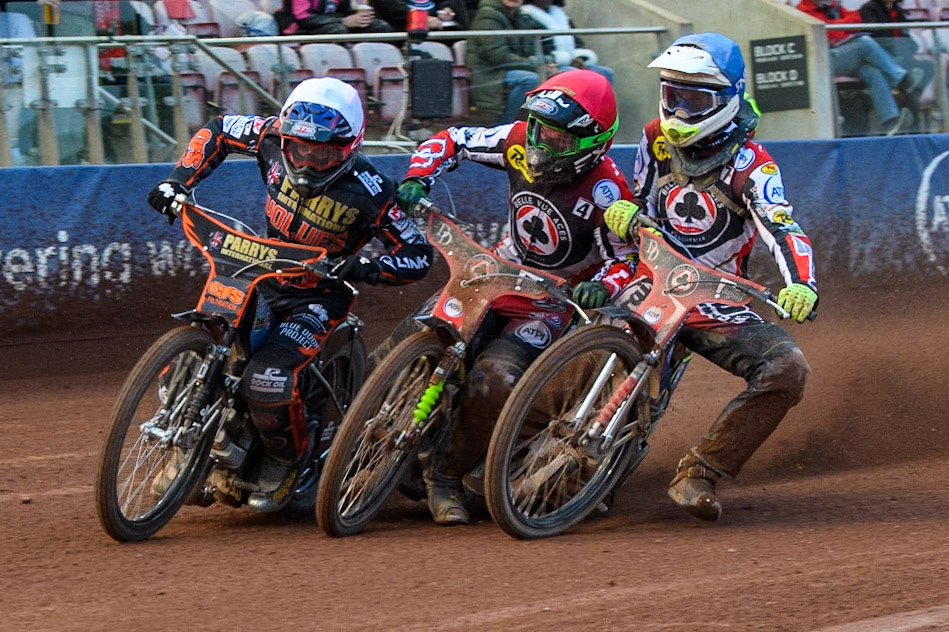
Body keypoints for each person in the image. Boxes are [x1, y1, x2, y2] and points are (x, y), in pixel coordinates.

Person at [147, 77, 433, 513]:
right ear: (285, 136)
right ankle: (194, 444)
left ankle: (287, 461)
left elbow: (418, 255)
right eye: (299, 149)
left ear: (350, 146)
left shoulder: (373, 191)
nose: (308, 160)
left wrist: (362, 267)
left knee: (268, 378)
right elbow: (219, 129)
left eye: (323, 153)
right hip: (259, 272)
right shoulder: (269, 136)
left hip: (318, 296)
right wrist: (178, 181)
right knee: (206, 340)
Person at [381, 69, 639, 525]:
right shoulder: (516, 140)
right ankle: (342, 434)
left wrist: (604, 284)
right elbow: (453, 138)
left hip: (548, 302)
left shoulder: (607, 189)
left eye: (559, 140)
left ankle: (444, 476)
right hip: (496, 271)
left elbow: (628, 257)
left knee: (495, 378)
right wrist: (419, 175)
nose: (542, 145)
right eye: (540, 129)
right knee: (416, 331)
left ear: (592, 143)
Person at [601, 33, 817, 522]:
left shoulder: (752, 166)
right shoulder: (654, 137)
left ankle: (702, 470)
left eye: (695, 98)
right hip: (649, 280)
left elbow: (782, 226)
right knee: (577, 335)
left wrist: (802, 283)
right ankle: (507, 451)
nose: (680, 108)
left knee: (788, 368)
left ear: (727, 99)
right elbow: (637, 197)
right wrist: (624, 210)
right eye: (674, 95)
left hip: (714, 299)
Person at [796, 0, 924, 135]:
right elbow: (828, 33)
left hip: (843, 55)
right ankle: (901, 79)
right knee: (864, 43)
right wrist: (843, 26)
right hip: (821, 61)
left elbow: (857, 21)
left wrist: (839, 26)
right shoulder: (805, 9)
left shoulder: (835, 7)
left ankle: (891, 121)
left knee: (872, 71)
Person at [467, 0, 558, 124]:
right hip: (491, 72)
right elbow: (499, 57)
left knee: (568, 72)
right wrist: (539, 67)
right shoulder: (487, 15)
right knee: (530, 80)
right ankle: (508, 125)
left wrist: (549, 61)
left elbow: (542, 43)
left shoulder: (522, 15)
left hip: (517, 66)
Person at [859, 0, 935, 131]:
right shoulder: (869, 9)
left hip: (900, 55)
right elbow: (876, 37)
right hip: (881, 58)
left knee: (927, 67)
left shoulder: (898, 11)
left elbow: (906, 36)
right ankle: (914, 122)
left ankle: (911, 97)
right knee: (908, 80)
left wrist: (908, 48)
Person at [520, 0, 615, 84]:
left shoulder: (560, 15)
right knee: (575, 74)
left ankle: (602, 104)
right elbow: (529, 50)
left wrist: (580, 58)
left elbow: (578, 43)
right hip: (550, 64)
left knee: (605, 73)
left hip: (571, 61)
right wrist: (554, 60)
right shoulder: (525, 16)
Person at [274, 0, 394, 36]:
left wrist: (360, 18)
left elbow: (345, 12)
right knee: (338, 31)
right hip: (300, 28)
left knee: (380, 27)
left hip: (334, 23)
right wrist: (344, 21)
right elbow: (302, 18)